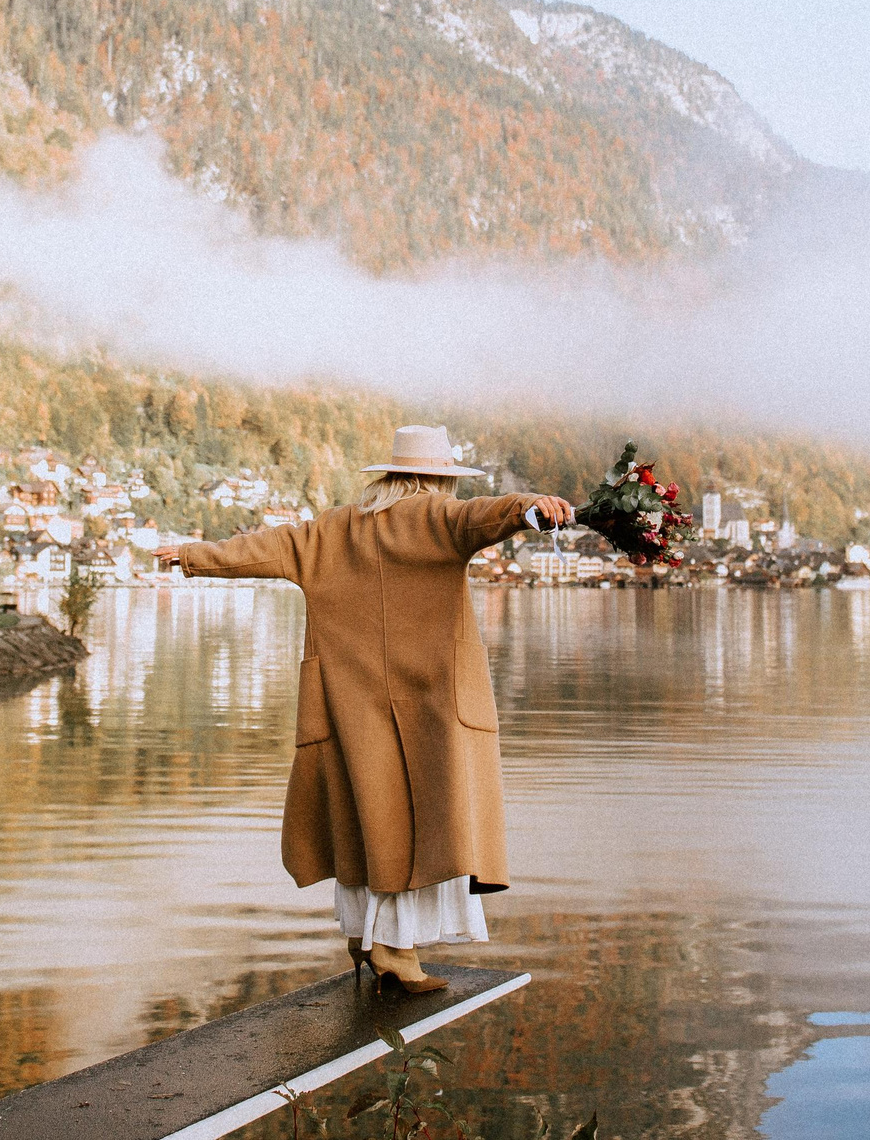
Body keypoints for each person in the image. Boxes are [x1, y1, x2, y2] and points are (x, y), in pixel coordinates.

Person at [152, 425, 573, 992]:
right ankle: (395, 952)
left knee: (366, 820)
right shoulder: (442, 519)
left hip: (349, 705)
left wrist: (190, 556)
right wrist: (530, 508)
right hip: (433, 704)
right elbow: (487, 515)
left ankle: (366, 937)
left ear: (390, 474)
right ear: (438, 480)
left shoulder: (332, 530)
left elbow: (264, 547)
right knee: (428, 825)